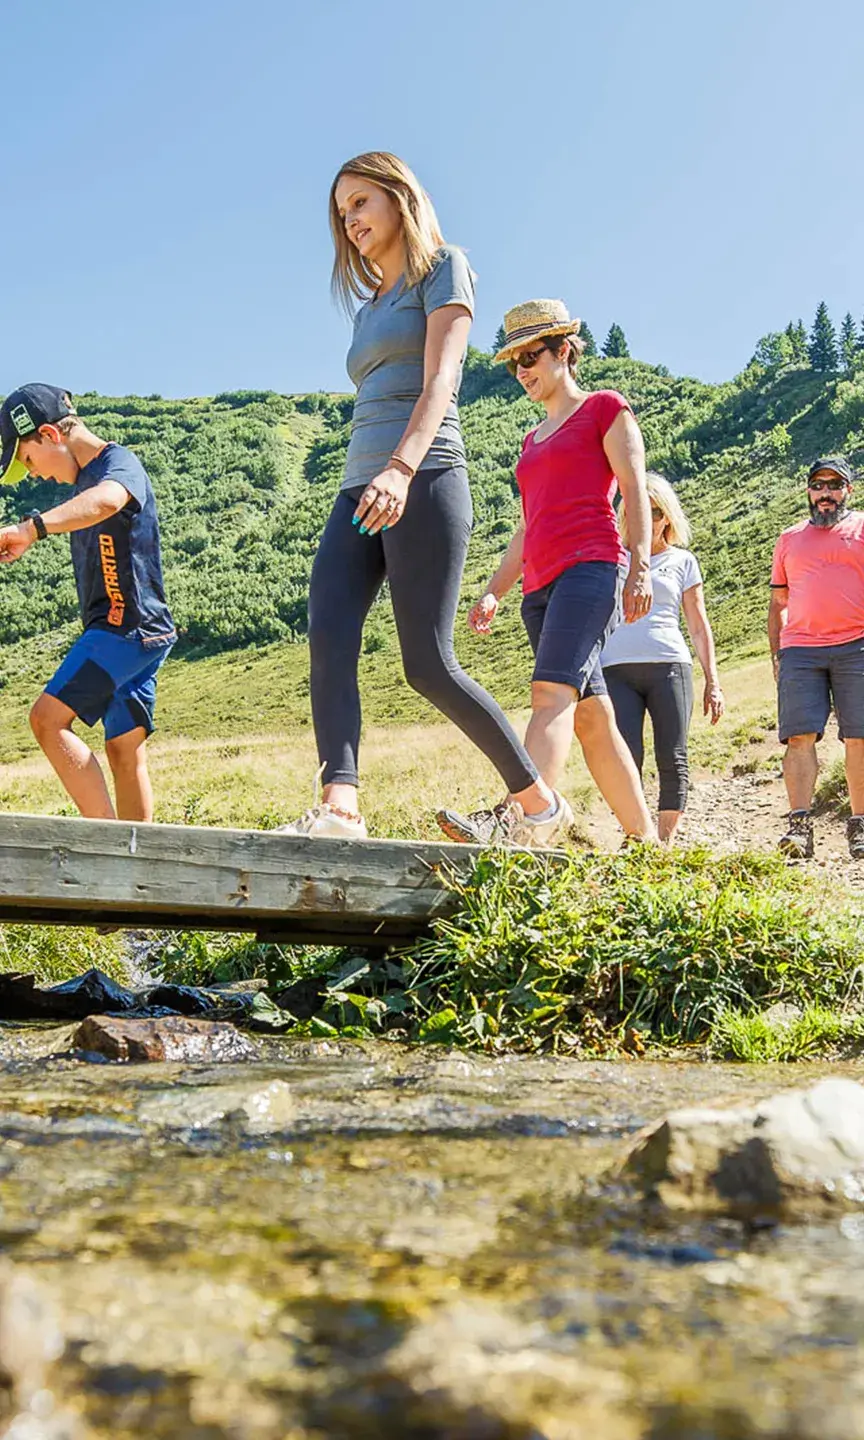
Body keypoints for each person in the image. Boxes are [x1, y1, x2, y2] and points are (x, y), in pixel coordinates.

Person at [281, 153, 568, 846]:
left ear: (398, 198)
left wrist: (402, 469)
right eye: (341, 212)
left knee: (427, 663)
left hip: (425, 476)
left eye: (361, 203)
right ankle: (340, 806)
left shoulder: (444, 267)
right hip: (360, 484)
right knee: (329, 630)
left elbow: (441, 380)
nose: (350, 221)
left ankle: (536, 803)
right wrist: (375, 471)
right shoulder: (369, 305)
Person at [436, 299, 657, 847]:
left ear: (564, 351)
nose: (522, 373)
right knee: (591, 720)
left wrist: (641, 569)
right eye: (514, 364)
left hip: (591, 569)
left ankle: (520, 818)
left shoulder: (606, 409)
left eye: (531, 357)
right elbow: (528, 526)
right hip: (539, 589)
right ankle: (647, 841)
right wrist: (493, 591)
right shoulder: (530, 443)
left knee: (549, 694)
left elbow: (634, 493)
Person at [0, 384, 175, 821]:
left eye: (27, 459)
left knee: (46, 720)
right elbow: (88, 506)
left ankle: (104, 850)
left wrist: (33, 529)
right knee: (122, 749)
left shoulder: (118, 464)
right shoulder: (83, 483)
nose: (34, 473)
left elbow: (109, 500)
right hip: (141, 632)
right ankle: (140, 872)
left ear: (49, 434)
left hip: (124, 629)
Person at [600, 472, 724, 843]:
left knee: (672, 757)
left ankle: (664, 843)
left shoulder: (683, 561)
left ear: (666, 517)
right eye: (635, 511)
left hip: (670, 665)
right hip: (615, 668)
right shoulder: (610, 556)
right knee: (626, 758)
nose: (644, 520)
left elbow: (699, 626)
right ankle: (637, 838)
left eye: (653, 512)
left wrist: (713, 682)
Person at [769, 455, 864, 860]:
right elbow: (777, 601)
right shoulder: (789, 539)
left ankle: (860, 828)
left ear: (849, 490)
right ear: (808, 491)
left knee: (859, 737)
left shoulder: (861, 528)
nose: (826, 493)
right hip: (800, 650)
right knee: (799, 737)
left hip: (857, 645)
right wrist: (777, 654)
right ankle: (799, 828)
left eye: (834, 485)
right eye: (818, 485)